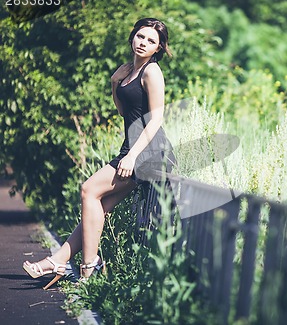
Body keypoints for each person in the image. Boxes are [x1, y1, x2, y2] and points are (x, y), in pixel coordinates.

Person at [23, 18, 174, 289]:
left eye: (151, 41)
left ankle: (90, 267)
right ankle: (59, 261)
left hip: (147, 151)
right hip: (132, 148)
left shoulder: (152, 72)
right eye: (140, 36)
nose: (143, 43)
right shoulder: (129, 71)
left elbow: (156, 118)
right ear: (132, 38)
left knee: (88, 189)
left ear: (158, 48)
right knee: (97, 209)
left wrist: (131, 157)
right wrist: (115, 84)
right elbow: (123, 111)